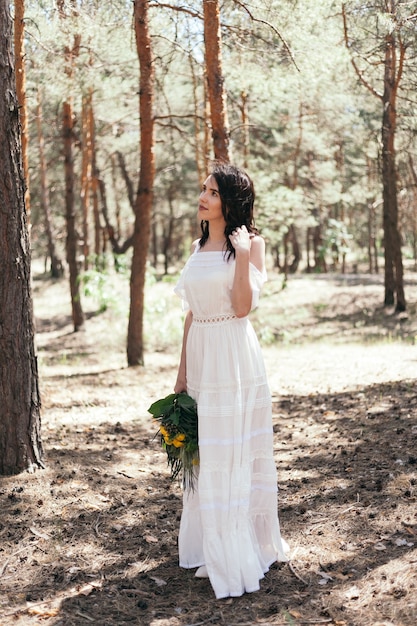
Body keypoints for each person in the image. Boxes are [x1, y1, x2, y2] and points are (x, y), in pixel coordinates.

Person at [173, 162, 288, 599]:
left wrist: (241, 256)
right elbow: (191, 313)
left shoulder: (251, 245)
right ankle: (209, 543)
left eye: (213, 192)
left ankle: (237, 545)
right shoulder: (197, 246)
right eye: (203, 189)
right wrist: (182, 373)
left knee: (231, 448)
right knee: (206, 451)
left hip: (234, 358)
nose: (203, 197)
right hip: (202, 355)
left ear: (231, 202)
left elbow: (242, 308)